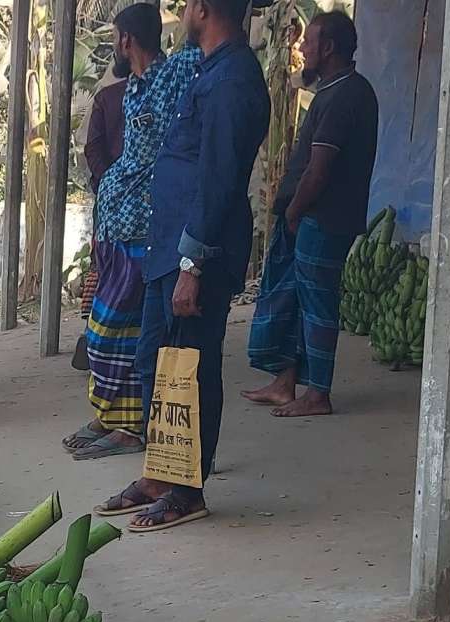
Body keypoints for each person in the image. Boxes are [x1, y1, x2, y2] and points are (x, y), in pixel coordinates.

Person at [96, 0, 269, 532]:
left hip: (194, 255)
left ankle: (187, 489)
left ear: (203, 8)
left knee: (191, 371)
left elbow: (219, 179)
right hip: (166, 249)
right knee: (156, 364)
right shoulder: (206, 69)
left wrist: (192, 264)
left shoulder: (232, 80)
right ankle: (159, 472)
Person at [63, 3, 201, 460]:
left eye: (114, 38)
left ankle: (128, 426)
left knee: (114, 333)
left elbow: (200, 44)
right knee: (109, 333)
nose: (112, 46)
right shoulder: (130, 90)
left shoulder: (172, 75)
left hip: (145, 234)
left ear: (126, 40)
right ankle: (112, 417)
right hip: (116, 233)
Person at [243, 10, 377, 418]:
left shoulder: (343, 96)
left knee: (317, 304)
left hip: (323, 218)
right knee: (296, 302)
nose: (301, 47)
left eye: (310, 42)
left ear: (329, 47)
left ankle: (318, 394)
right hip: (314, 216)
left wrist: (295, 209)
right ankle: (286, 383)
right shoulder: (337, 90)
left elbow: (319, 170)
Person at [72, 77, 128, 364]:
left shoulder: (108, 97)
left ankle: (94, 336)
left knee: (103, 267)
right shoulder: (166, 89)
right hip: (145, 200)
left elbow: (91, 149)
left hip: (109, 199)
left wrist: (109, 183)